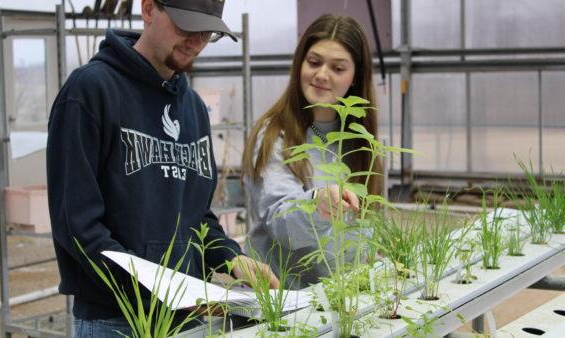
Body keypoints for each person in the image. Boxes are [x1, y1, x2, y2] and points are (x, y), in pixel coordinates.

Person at [46, 0, 279, 336]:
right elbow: (77, 226)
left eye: (207, 32)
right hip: (115, 320)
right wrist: (165, 291)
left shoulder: (193, 108)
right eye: (186, 26)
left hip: (185, 318)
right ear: (149, 9)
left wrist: (231, 258)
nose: (196, 41)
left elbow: (195, 215)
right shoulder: (90, 92)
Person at [242, 14, 382, 289]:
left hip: (342, 298)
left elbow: (366, 224)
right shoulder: (275, 135)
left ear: (355, 78)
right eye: (314, 62)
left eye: (338, 68)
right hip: (285, 299)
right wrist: (317, 203)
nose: (321, 75)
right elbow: (281, 224)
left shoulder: (361, 141)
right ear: (299, 64)